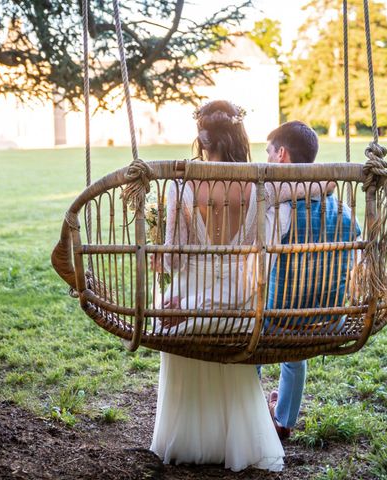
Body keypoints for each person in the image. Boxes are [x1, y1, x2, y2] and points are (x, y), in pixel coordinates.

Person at [149, 100, 284, 472]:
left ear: (201, 137)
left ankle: (190, 440)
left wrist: (161, 252)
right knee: (224, 343)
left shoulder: (183, 185)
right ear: (239, 135)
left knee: (169, 311)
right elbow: (321, 185)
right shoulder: (262, 184)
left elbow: (174, 257)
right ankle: (234, 442)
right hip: (238, 303)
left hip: (190, 299)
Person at [261, 121, 361, 440]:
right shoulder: (344, 212)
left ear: (282, 155)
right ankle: (285, 419)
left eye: (267, 153)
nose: (265, 160)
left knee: (253, 328)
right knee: (296, 353)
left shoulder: (281, 207)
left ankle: (251, 409)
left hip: (278, 318)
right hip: (327, 319)